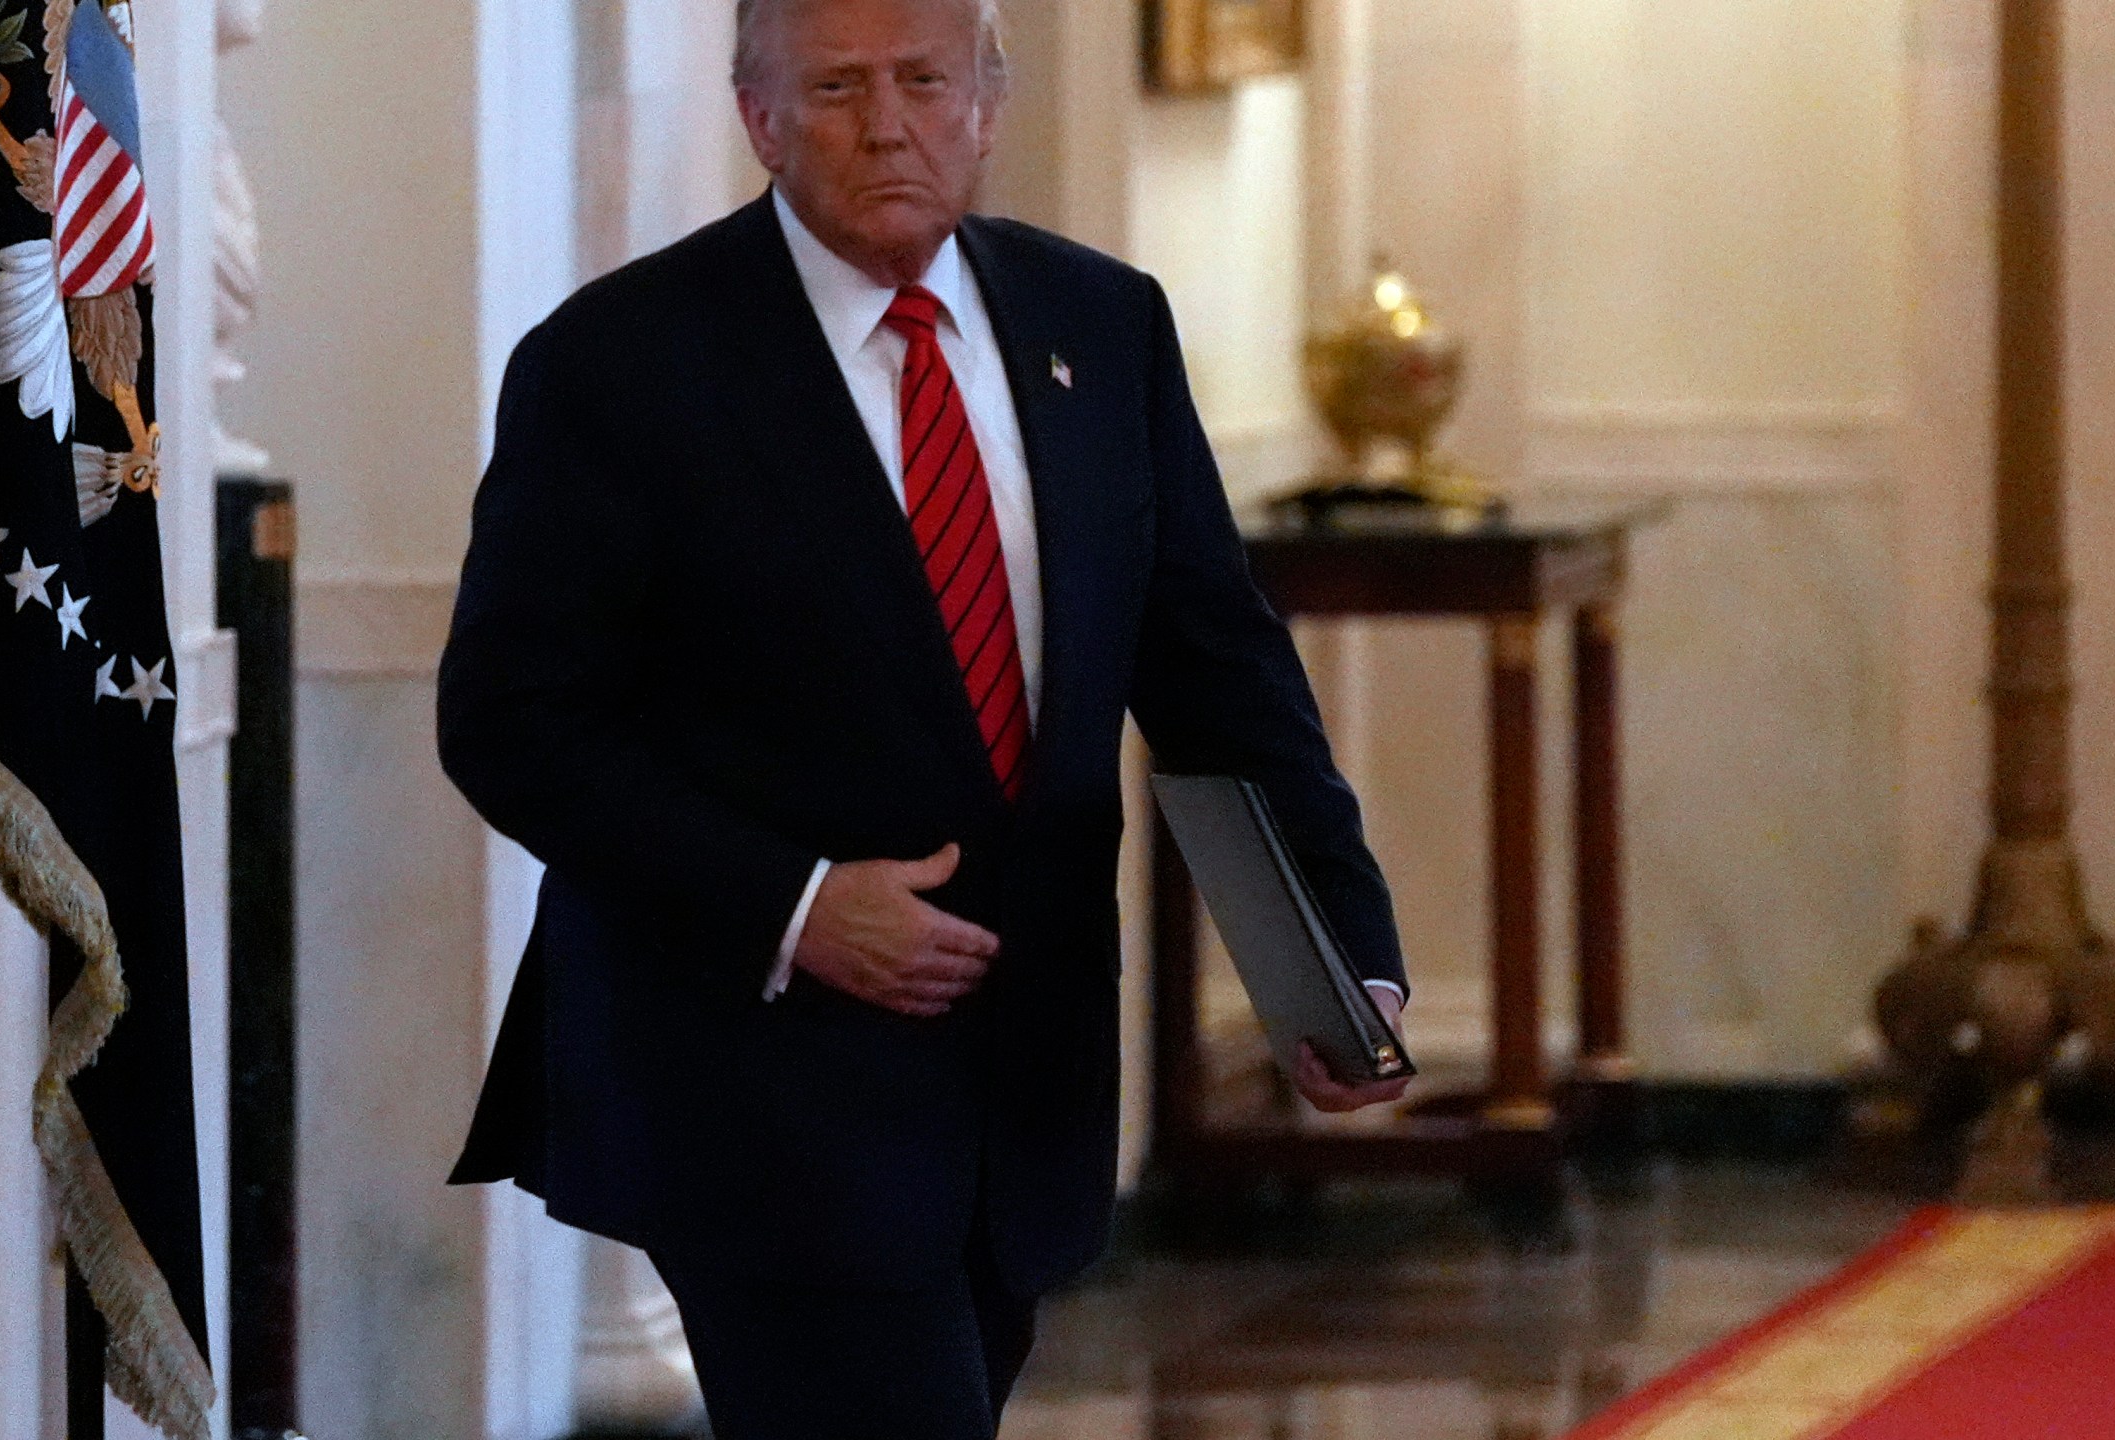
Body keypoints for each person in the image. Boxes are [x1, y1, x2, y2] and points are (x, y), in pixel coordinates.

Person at [436, 0, 1411, 1433]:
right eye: (833, 88)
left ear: (987, 102)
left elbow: (1221, 676)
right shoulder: (620, 366)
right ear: (759, 120)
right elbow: (511, 719)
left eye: (922, 81)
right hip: (758, 1078)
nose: (886, 123)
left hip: (1024, 1078)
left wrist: (1338, 960)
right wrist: (796, 905)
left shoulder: (1102, 326)